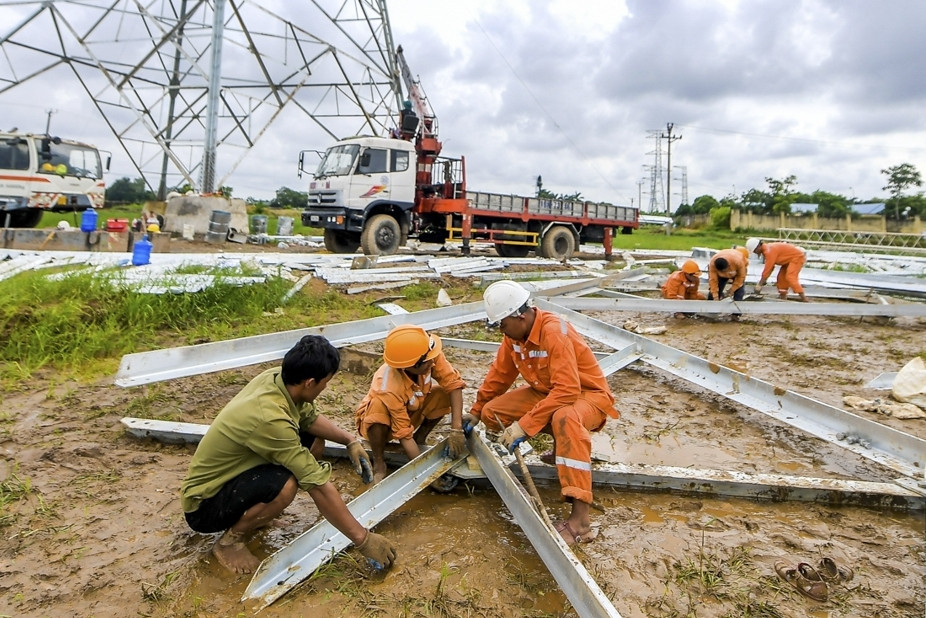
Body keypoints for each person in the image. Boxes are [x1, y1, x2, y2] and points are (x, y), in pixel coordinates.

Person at [180, 335, 396, 575]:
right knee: (286, 486)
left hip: (234, 473)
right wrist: (363, 539)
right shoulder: (269, 418)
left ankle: (258, 516)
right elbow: (318, 485)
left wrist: (349, 440)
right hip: (205, 505)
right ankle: (230, 541)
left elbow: (308, 418)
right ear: (310, 382)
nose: (326, 387)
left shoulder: (279, 378)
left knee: (314, 442)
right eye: (326, 382)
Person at [465, 280, 619, 547]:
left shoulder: (553, 332)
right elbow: (499, 376)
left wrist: (524, 426)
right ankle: (562, 447)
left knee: (566, 418)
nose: (500, 330)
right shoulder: (513, 337)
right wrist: (476, 411)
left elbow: (569, 389)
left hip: (586, 395)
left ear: (520, 315)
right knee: (494, 412)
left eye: (502, 323)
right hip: (549, 392)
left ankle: (580, 520)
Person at [355, 325, 467, 484]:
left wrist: (457, 429)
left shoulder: (427, 353)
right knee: (377, 407)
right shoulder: (388, 386)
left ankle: (420, 438)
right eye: (428, 363)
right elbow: (403, 434)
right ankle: (379, 463)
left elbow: (453, 384)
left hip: (411, 410)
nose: (433, 364)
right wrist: (428, 476)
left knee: (442, 394)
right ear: (409, 366)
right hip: (381, 424)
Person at [746, 237, 808, 302]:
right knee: (781, 278)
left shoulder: (768, 251)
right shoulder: (767, 249)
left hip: (797, 257)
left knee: (790, 277)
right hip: (788, 260)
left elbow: (768, 268)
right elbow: (771, 268)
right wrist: (764, 280)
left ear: (758, 247)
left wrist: (760, 284)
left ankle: (804, 298)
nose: (755, 253)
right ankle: (783, 297)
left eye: (755, 251)